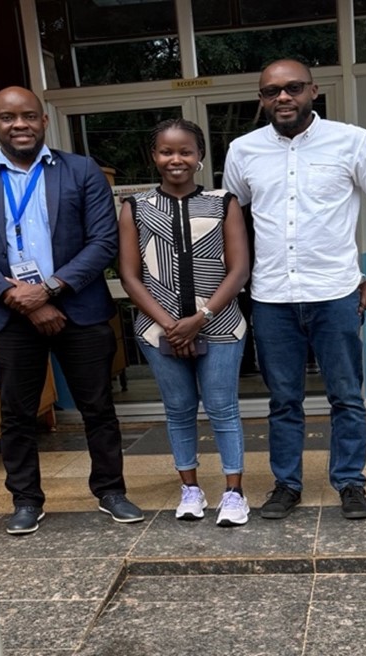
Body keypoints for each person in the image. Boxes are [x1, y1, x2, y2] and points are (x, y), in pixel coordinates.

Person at [0, 86, 144, 535]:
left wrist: (48, 290)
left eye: (29, 116)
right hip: (10, 313)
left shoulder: (82, 170)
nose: (20, 124)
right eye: (9, 117)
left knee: (98, 408)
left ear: (44, 121)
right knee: (17, 413)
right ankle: (25, 500)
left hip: (79, 309)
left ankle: (111, 491)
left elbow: (103, 242)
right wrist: (14, 295)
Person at [223, 59, 366, 520]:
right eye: (272, 91)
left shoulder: (352, 141)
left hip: (335, 294)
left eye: (293, 88)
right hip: (271, 298)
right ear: (261, 99)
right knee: (283, 400)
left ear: (313, 91)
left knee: (346, 395)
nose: (283, 97)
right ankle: (286, 484)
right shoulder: (243, 151)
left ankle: (350, 482)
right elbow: (233, 220)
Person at [118, 118, 251, 526]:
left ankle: (234, 493)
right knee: (178, 409)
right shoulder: (136, 207)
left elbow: (239, 269)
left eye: (185, 151)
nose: (176, 159)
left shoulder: (223, 202)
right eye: (166, 151)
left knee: (223, 408)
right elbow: (129, 276)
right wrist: (172, 325)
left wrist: (200, 317)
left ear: (199, 156)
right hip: (157, 330)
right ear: (154, 156)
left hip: (221, 326)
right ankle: (190, 490)